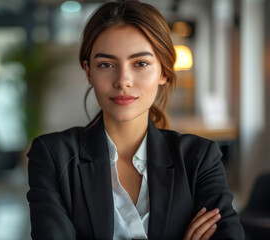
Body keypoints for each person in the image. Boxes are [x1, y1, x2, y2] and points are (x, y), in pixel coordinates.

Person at [26, 1, 244, 239]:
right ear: (89, 71)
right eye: (106, 64)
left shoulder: (199, 159)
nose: (123, 80)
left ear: (163, 71)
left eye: (140, 63)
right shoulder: (52, 156)